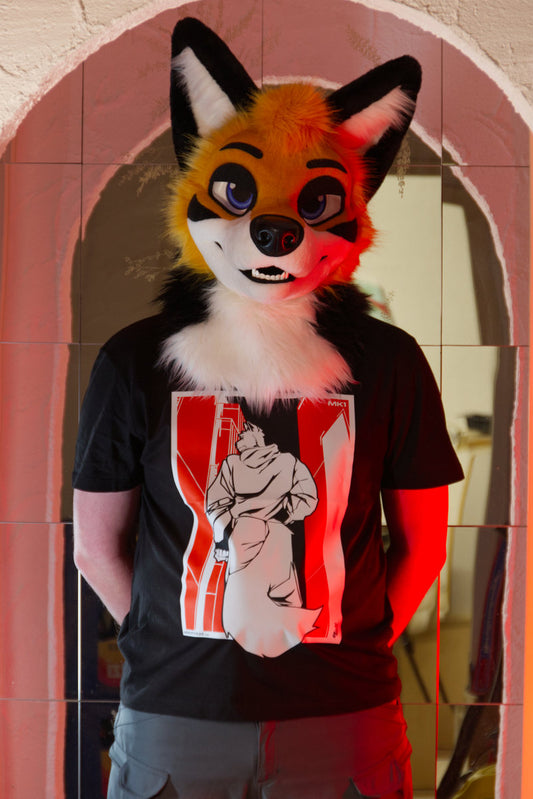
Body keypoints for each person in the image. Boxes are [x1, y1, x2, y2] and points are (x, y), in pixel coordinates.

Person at [73, 17, 463, 799]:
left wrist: (352, 646)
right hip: (176, 716)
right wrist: (165, 645)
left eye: (315, 198)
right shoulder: (133, 360)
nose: (275, 227)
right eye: (240, 190)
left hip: (342, 715)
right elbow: (96, 547)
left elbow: (422, 546)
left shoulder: (388, 361)